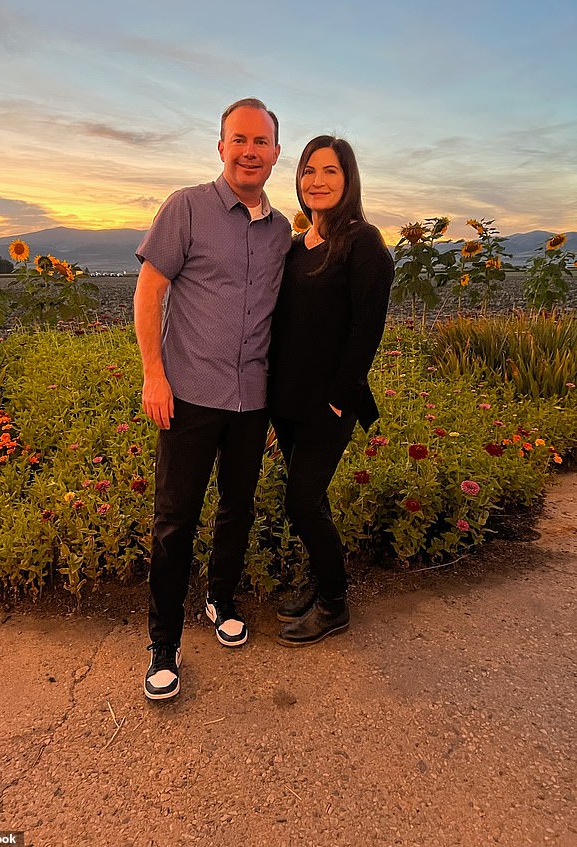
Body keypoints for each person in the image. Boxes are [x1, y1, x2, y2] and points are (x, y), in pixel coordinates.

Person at [134, 98, 291, 700]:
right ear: (221, 146)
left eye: (261, 142)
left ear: (276, 153)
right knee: (174, 521)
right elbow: (150, 290)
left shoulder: (282, 233)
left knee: (237, 506)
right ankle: (163, 648)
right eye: (239, 140)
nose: (250, 151)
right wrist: (154, 374)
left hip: (251, 398)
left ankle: (220, 599)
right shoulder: (187, 208)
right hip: (190, 394)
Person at [269, 135, 394, 646]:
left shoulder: (363, 241)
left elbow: (368, 325)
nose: (316, 181)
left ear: (349, 180)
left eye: (330, 172)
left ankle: (335, 605)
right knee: (308, 500)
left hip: (328, 401)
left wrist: (341, 393)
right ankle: (322, 584)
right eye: (308, 171)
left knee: (302, 501)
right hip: (288, 399)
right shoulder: (297, 247)